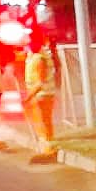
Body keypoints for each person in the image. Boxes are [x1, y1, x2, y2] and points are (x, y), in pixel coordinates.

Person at [24, 32, 59, 163]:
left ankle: (48, 150)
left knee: (43, 123)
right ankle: (47, 148)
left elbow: (40, 82)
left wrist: (28, 97)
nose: (27, 46)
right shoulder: (35, 57)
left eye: (29, 43)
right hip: (41, 95)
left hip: (41, 95)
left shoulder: (39, 59)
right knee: (43, 123)